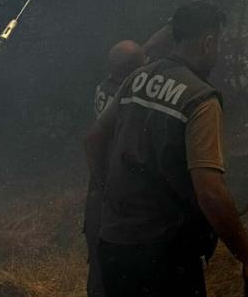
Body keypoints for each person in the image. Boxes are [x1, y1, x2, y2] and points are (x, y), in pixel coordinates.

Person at [85, 2, 248, 297]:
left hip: (115, 246)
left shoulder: (136, 79)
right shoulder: (200, 98)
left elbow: (93, 139)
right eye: (217, 43)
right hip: (164, 254)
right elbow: (210, 191)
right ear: (209, 43)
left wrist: (109, 192)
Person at [86, 26, 175, 297]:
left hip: (98, 197)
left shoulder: (108, 82)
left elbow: (142, 51)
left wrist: (171, 25)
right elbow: (143, 59)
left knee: (100, 269)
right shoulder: (127, 97)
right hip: (114, 196)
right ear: (133, 71)